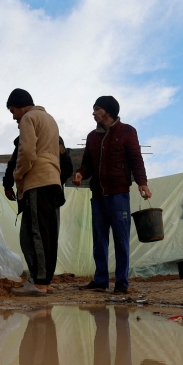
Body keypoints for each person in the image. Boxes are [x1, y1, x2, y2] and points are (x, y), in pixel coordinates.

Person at [72, 96, 151, 294]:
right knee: (99, 240)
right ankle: (100, 281)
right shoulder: (92, 137)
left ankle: (122, 283)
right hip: (98, 195)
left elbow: (135, 159)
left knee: (121, 239)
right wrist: (81, 173)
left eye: (97, 109)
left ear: (108, 111)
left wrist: (142, 182)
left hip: (119, 194)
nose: (93, 113)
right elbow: (87, 163)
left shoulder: (127, 131)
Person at [6, 88, 65, 297]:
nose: (13, 116)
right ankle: (46, 280)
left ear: (21, 105)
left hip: (37, 181)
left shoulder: (28, 119)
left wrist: (17, 175)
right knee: (48, 232)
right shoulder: (50, 119)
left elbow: (27, 152)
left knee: (37, 233)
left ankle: (39, 283)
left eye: (13, 110)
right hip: (52, 180)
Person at [3, 136, 74, 201]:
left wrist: (53, 184)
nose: (18, 124)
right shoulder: (24, 140)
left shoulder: (53, 138)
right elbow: (12, 164)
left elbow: (67, 167)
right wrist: (7, 186)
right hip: (28, 195)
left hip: (51, 196)